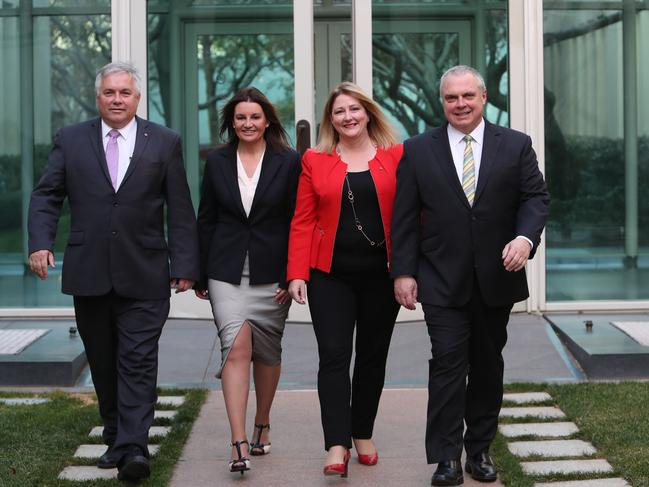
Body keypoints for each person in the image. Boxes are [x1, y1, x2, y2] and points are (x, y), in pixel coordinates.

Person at [27, 61, 199, 482]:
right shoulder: (70, 140)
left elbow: (179, 208)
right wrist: (39, 243)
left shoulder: (164, 141)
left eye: (125, 92)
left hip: (145, 271)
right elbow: (47, 194)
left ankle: (134, 448)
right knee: (103, 362)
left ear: (137, 98)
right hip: (90, 273)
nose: (117, 99)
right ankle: (115, 433)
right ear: (98, 96)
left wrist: (187, 265)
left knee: (137, 359)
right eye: (110, 92)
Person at [390, 65, 550, 486]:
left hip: (497, 276)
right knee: (447, 363)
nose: (460, 104)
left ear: (483, 98)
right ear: (441, 102)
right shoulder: (418, 150)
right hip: (440, 278)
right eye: (451, 98)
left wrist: (524, 239)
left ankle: (478, 449)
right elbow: (404, 218)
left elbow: (535, 197)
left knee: (485, 365)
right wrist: (403, 273)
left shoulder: (515, 145)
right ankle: (445, 457)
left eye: (467, 96)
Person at [287, 81, 402, 478]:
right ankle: (336, 442)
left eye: (354, 109)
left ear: (368, 113)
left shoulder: (397, 157)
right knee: (334, 356)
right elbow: (301, 220)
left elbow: (411, 217)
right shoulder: (314, 160)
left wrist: (410, 270)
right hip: (328, 276)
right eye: (339, 112)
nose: (348, 117)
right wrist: (297, 274)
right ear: (330, 120)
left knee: (372, 356)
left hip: (381, 277)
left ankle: (362, 432)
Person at [194, 87, 300, 474]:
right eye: (241, 117)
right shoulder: (218, 161)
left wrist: (294, 274)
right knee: (235, 348)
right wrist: (200, 270)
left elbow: (297, 221)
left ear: (267, 120)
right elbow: (206, 217)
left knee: (267, 353)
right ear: (232, 122)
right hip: (226, 270)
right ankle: (238, 441)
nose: (248, 123)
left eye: (255, 117)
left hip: (273, 273)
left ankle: (262, 420)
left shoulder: (289, 162)